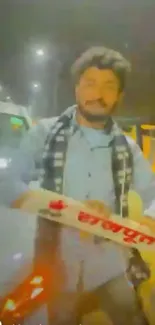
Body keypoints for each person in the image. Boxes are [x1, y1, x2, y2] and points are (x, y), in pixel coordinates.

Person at [1, 46, 155, 325]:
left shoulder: (127, 148)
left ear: (118, 96)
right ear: (77, 89)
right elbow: (8, 183)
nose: (98, 93)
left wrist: (148, 218)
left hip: (109, 264)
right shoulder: (44, 134)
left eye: (109, 86)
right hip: (58, 265)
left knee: (132, 316)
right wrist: (68, 209)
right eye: (90, 82)